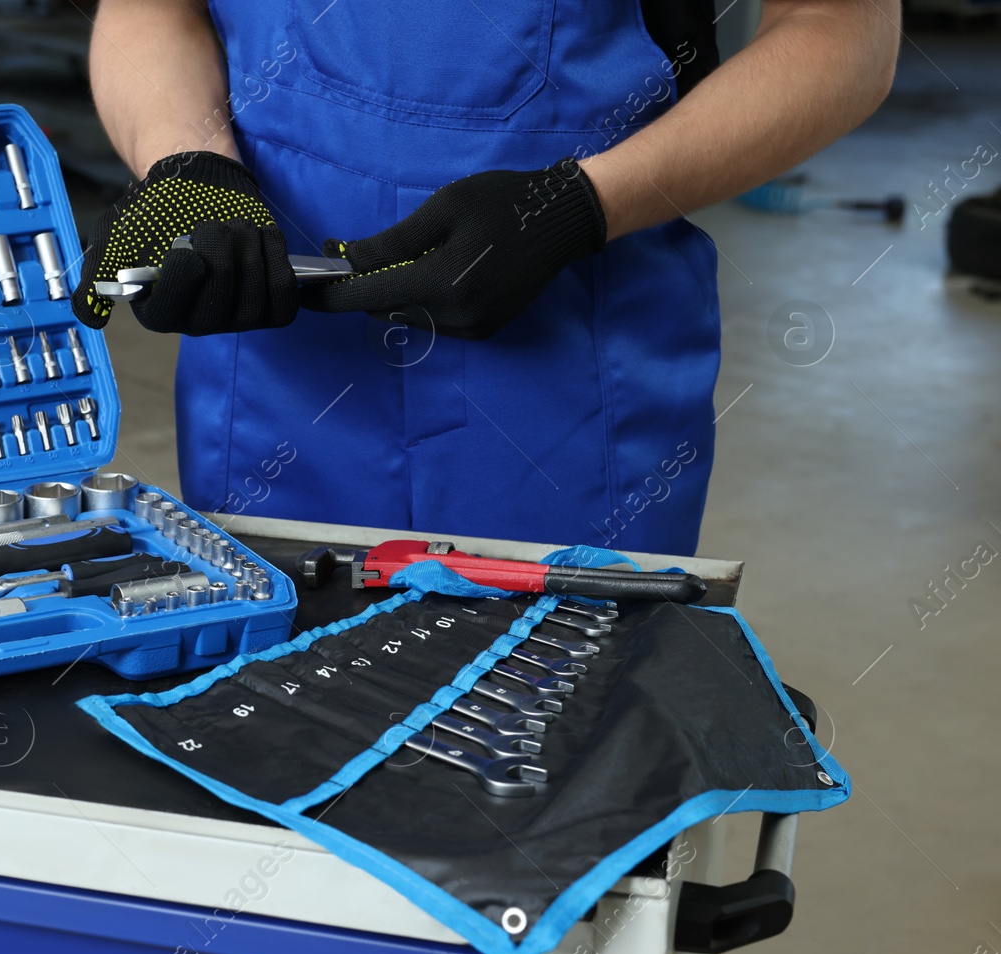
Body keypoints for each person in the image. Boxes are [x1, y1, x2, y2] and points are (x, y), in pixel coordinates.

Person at [72, 1, 898, 555]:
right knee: (270, 730)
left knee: (554, 746)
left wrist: (578, 208)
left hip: (567, 370)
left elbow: (843, 33)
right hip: (278, 353)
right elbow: (150, 10)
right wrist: (187, 163)